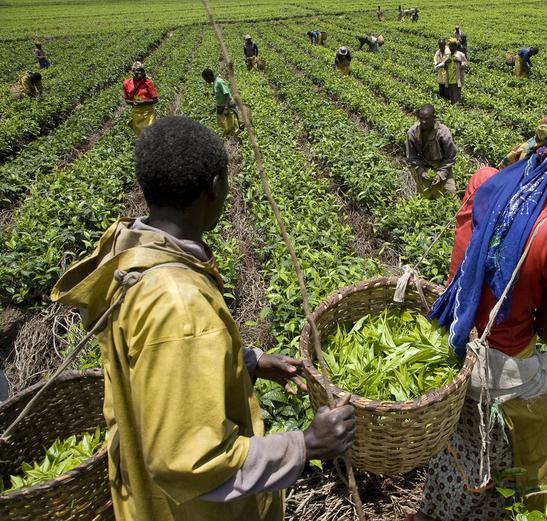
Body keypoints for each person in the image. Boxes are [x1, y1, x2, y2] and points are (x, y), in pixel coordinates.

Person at [51, 116, 357, 521]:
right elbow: (194, 462)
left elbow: (160, 366)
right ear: (215, 188)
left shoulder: (137, 255)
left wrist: (247, 362)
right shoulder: (180, 306)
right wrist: (306, 444)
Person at [406, 111, 547, 521]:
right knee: (525, 460)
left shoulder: (482, 182)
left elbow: (503, 247)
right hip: (504, 367)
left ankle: (436, 512)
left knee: (461, 450)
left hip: (455, 347)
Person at [405, 104, 457, 198]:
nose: (423, 121)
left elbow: (450, 157)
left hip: (441, 165)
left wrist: (441, 174)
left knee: (450, 193)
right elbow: (412, 156)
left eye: (427, 118)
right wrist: (421, 171)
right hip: (422, 165)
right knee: (424, 197)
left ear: (434, 118)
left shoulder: (443, 132)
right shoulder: (412, 132)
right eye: (421, 118)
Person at [202, 68, 240, 138]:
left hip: (228, 104)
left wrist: (226, 108)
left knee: (232, 123)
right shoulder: (215, 83)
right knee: (225, 122)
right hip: (221, 105)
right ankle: (229, 133)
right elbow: (218, 95)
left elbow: (226, 94)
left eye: (205, 79)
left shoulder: (219, 82)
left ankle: (235, 137)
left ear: (209, 76)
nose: (206, 81)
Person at [122, 62, 158, 136]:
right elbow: (127, 100)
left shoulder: (148, 83)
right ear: (133, 71)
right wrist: (133, 103)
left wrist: (143, 102)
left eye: (142, 70)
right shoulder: (126, 83)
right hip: (136, 113)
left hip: (148, 113)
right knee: (141, 134)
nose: (140, 72)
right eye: (138, 70)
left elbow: (155, 100)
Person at [443, 37, 468, 103]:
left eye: (453, 46)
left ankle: (457, 111)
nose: (451, 48)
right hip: (449, 80)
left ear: (456, 46)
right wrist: (445, 63)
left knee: (457, 99)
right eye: (450, 46)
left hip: (457, 80)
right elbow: (445, 68)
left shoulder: (460, 55)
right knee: (451, 99)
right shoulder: (448, 55)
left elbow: (466, 65)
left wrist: (460, 62)